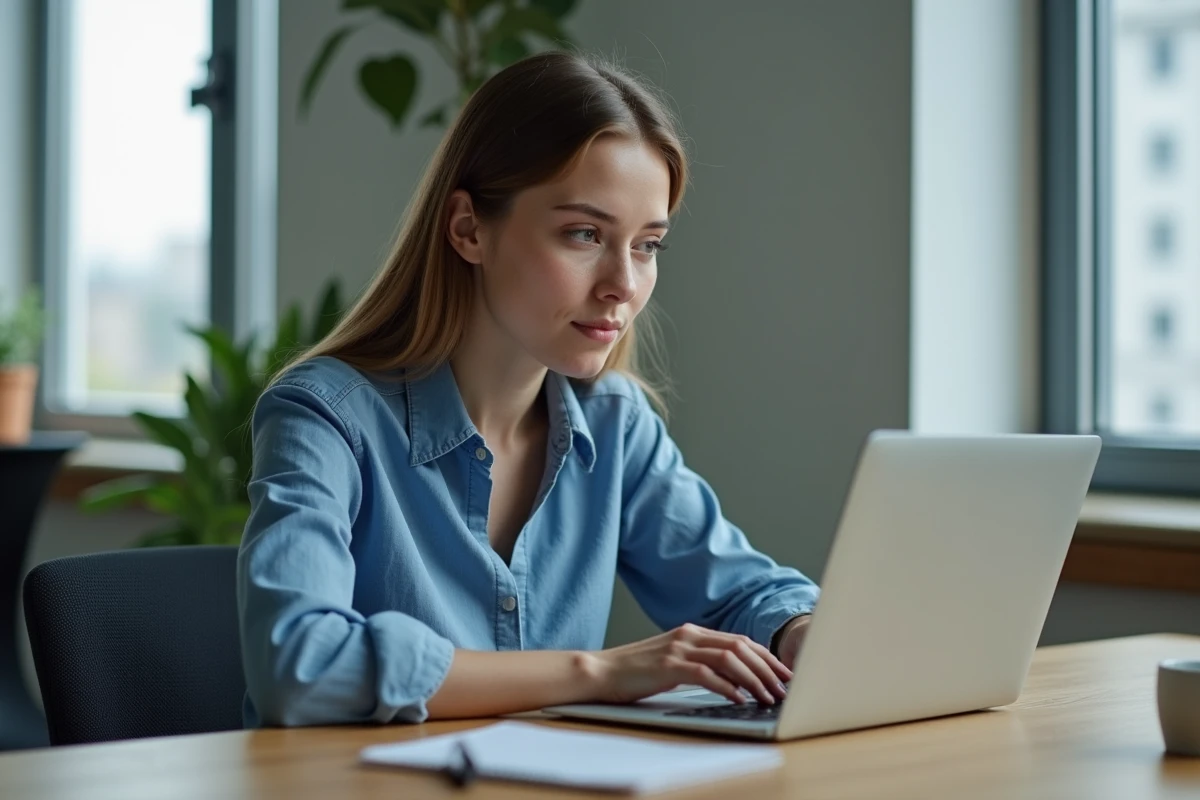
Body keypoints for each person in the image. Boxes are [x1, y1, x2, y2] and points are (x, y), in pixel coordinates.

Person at [237, 51, 820, 727]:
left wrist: (802, 633)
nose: (623, 286)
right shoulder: (325, 417)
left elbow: (743, 592)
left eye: (647, 244)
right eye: (584, 234)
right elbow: (299, 665)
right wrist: (596, 673)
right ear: (468, 229)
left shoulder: (614, 425)